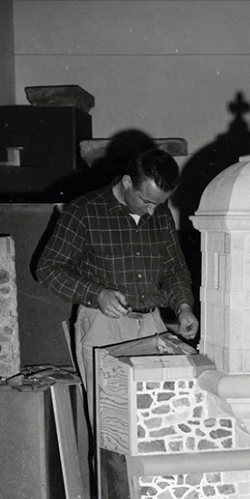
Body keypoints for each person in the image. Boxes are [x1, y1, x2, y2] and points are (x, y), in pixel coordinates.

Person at [37, 148, 199, 419]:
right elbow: (47, 268)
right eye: (146, 200)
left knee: (158, 417)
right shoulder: (84, 211)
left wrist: (183, 306)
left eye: (160, 203)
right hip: (104, 326)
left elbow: (174, 269)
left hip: (151, 326)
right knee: (111, 423)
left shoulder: (160, 214)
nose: (152, 210)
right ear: (126, 182)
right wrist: (97, 294)